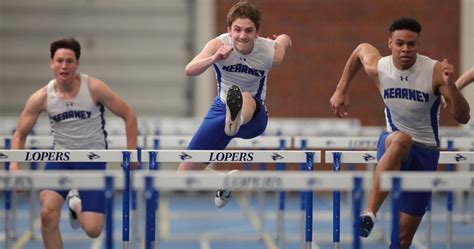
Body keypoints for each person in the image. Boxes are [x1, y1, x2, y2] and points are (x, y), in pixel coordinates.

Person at [330, 18, 470, 248]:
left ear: (418, 44)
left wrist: (452, 86)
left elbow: (463, 117)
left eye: (411, 44)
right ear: (390, 43)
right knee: (402, 139)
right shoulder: (380, 67)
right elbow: (360, 50)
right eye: (400, 43)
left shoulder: (433, 71)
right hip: (393, 144)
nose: (406, 49)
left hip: (426, 153)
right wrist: (341, 89)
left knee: (402, 239)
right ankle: (369, 212)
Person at [10, 37, 138, 249]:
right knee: (47, 214)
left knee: (93, 229)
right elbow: (20, 133)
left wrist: (131, 152)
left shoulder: (94, 88)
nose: (64, 66)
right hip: (60, 158)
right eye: (59, 60)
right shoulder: (42, 97)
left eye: (69, 61)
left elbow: (129, 115)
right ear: (51, 63)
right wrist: (15, 167)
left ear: (77, 64)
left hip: (93, 159)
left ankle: (75, 203)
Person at [178, 0, 292, 208]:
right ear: (229, 30)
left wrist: (282, 41)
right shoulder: (219, 44)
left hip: (254, 115)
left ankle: (236, 118)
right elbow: (189, 69)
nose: (242, 36)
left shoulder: (269, 52)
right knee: (184, 174)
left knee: (245, 95)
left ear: (257, 33)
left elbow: (285, 41)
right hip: (221, 108)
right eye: (237, 30)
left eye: (249, 31)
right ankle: (224, 180)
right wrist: (215, 57)